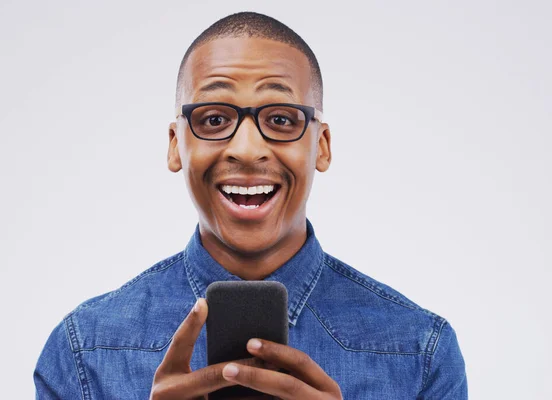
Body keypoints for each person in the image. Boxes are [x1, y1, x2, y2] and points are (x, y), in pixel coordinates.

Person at [34, 11, 467, 399]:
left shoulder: (420, 353)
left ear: (322, 145)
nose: (246, 148)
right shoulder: (83, 350)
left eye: (280, 119)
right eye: (214, 119)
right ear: (175, 146)